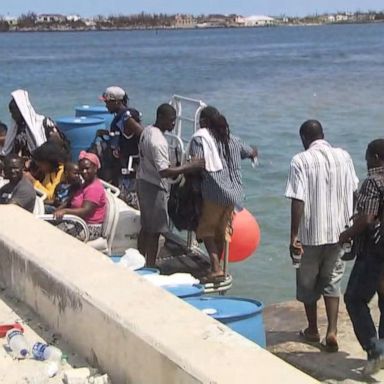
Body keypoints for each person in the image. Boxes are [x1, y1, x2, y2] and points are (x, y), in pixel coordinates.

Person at [285, 119, 358, 352]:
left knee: (307, 284)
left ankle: (313, 330)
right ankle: (332, 331)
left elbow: (298, 198)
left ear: (304, 139)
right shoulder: (344, 157)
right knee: (332, 281)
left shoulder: (300, 160)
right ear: (323, 135)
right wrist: (352, 226)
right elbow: (354, 191)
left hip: (310, 235)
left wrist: (293, 235)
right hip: (339, 233)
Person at [188, 106, 257, 283]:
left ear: (203, 122)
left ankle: (216, 269)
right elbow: (249, 152)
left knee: (206, 229)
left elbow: (198, 162)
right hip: (234, 194)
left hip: (214, 190)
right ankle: (216, 266)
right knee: (222, 230)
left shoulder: (201, 139)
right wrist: (253, 152)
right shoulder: (233, 140)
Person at [137, 103, 204, 267]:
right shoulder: (159, 142)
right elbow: (164, 172)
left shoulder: (147, 131)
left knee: (146, 226)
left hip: (142, 181)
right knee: (154, 231)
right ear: (160, 118)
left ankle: (138, 258)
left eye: (174, 120)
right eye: (171, 120)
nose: (174, 124)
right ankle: (150, 266)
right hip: (153, 187)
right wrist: (190, 166)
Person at [340, 139, 384, 375]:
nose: (366, 162)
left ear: (376, 157)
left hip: (376, 251)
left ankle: (375, 350)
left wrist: (345, 235)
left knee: (355, 299)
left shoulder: (373, 182)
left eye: (368, 157)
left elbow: (367, 219)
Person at [99, 86, 143, 207]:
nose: (106, 105)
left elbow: (142, 134)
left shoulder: (126, 117)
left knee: (129, 203)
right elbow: (123, 135)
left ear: (117, 101)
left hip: (128, 169)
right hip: (121, 167)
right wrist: (108, 134)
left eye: (107, 102)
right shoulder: (120, 116)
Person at [0, 89, 69, 158]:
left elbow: (56, 143)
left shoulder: (43, 123)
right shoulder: (16, 130)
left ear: (21, 111)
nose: (13, 116)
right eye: (11, 113)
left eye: (14, 113)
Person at [54, 151, 106, 240]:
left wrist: (65, 211)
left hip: (88, 227)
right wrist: (58, 210)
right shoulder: (84, 185)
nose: (84, 172)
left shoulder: (94, 188)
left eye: (87, 168)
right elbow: (69, 201)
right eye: (81, 169)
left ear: (95, 168)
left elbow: (86, 211)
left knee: (55, 234)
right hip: (77, 222)